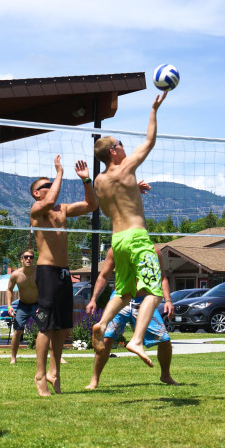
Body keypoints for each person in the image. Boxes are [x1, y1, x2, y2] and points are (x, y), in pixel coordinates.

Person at [91, 91, 168, 367]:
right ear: (113, 151)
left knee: (123, 291)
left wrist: (132, 191)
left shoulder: (100, 181)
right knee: (153, 291)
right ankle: (136, 340)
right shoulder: (126, 167)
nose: (124, 147)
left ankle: (101, 323)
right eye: (120, 144)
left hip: (118, 240)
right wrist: (153, 111)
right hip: (136, 238)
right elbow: (149, 141)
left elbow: (106, 209)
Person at [30, 156, 97, 396]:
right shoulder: (38, 210)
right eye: (44, 186)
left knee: (61, 328)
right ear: (36, 194)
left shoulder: (63, 210)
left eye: (51, 184)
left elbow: (91, 205)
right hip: (47, 271)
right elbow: (52, 198)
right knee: (46, 326)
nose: (49, 188)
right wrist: (59, 173)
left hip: (64, 273)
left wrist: (86, 179)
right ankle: (39, 376)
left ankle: (54, 373)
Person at [85, 246, 178, 389]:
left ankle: (165, 375)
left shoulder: (153, 250)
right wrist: (93, 299)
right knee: (106, 339)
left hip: (144, 301)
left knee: (164, 339)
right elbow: (103, 276)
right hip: (120, 298)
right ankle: (94, 379)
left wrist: (168, 300)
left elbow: (163, 277)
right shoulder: (116, 249)